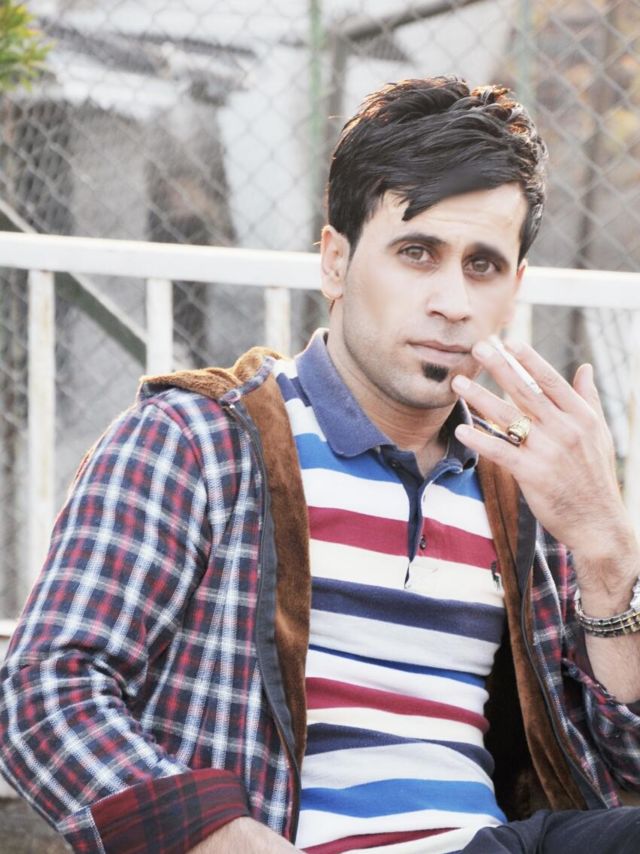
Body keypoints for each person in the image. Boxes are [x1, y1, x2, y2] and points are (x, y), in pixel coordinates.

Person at [1, 76, 640, 854]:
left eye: (483, 265)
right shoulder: (196, 442)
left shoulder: (525, 486)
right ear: (335, 262)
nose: (452, 301)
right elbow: (43, 693)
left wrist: (608, 554)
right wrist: (221, 837)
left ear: (514, 289)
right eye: (417, 253)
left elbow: (623, 771)